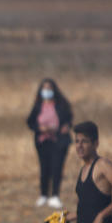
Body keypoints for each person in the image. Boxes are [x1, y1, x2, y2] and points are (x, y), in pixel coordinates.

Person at [26, 78, 73, 209]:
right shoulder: (38, 106)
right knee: (44, 168)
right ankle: (43, 195)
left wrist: (66, 126)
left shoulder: (61, 104)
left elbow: (69, 118)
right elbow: (30, 122)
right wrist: (40, 128)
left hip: (59, 140)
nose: (47, 91)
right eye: (44, 88)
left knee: (57, 167)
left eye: (49, 88)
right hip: (42, 141)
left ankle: (55, 196)